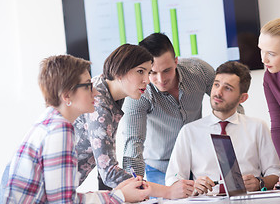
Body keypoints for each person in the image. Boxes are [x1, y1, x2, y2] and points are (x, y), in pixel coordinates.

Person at [3, 55, 150, 203]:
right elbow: (65, 203)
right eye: (88, 86)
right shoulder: (60, 130)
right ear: (67, 96)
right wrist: (120, 196)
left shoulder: (51, 119)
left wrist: (118, 194)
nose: (96, 92)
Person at [74, 44, 194, 199]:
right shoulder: (99, 103)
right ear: (119, 72)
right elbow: (109, 172)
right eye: (140, 71)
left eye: (148, 72)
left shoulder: (109, 91)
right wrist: (167, 192)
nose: (147, 80)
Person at [165, 61, 280, 195]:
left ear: (242, 98)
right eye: (216, 84)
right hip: (206, 200)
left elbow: (276, 172)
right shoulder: (189, 131)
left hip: (248, 200)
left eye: (228, 88)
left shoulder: (257, 127)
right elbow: (172, 179)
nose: (218, 93)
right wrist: (193, 186)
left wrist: (259, 182)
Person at [122, 33, 215, 185]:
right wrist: (133, 184)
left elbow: (229, 104)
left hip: (199, 163)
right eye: (152, 72)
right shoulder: (139, 93)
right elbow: (133, 141)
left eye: (167, 70)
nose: (161, 79)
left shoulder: (200, 72)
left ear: (176, 61)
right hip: (161, 167)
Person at [258, 18, 280, 168]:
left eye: (271, 53)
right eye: (261, 50)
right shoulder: (271, 78)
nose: (264, 59)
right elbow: (279, 128)